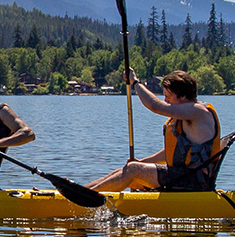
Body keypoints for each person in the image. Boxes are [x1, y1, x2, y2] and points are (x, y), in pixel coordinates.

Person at [86, 69, 224, 192]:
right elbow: (169, 152)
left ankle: (85, 200)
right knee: (126, 170)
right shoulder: (184, 117)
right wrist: (142, 162)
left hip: (194, 180)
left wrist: (135, 82)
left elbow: (155, 106)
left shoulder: (198, 111)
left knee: (133, 170)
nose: (165, 101)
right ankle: (81, 192)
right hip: (181, 175)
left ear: (183, 96)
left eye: (168, 97)